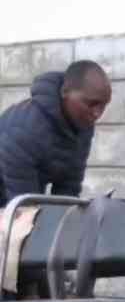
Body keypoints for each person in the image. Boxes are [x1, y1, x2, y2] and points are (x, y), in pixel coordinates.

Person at [0, 60, 111, 207]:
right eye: (91, 104)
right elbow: (25, 206)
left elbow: (69, 190)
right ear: (65, 91)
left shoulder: (83, 127)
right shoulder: (24, 130)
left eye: (103, 106)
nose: (97, 114)